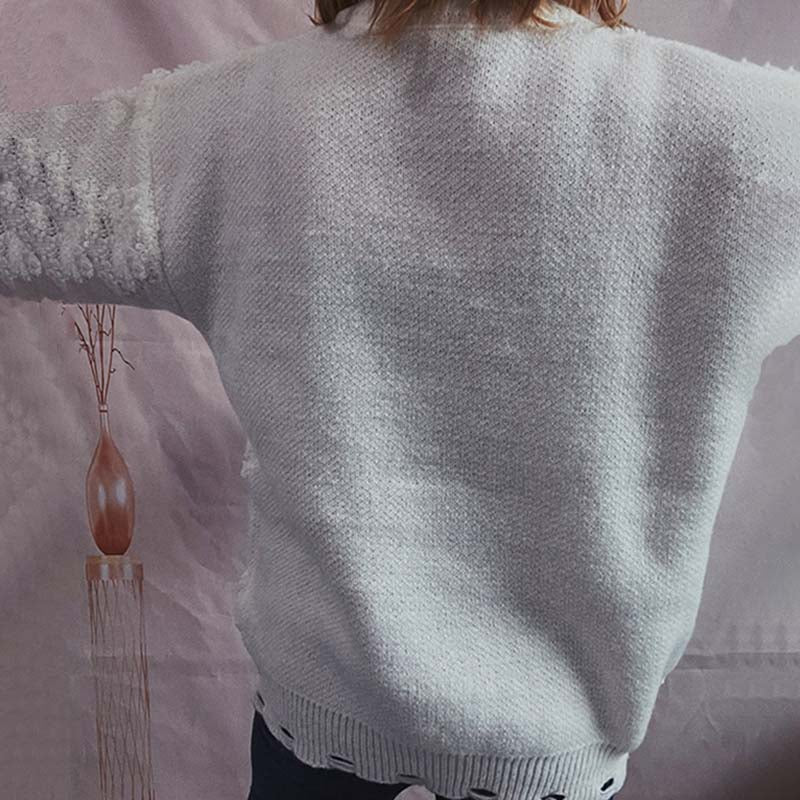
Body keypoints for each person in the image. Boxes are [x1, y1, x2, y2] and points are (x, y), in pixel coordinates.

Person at [1, 1, 797, 798]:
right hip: (559, 731)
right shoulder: (735, 138)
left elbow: (20, 201)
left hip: (321, 707)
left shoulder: (242, 119)